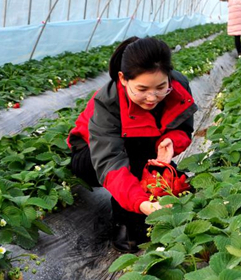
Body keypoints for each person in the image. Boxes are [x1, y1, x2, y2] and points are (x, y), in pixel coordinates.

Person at [67, 36, 197, 252]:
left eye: (160, 87)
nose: (152, 97)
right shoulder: (107, 102)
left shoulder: (179, 87)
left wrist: (171, 141)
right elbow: (111, 163)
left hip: (140, 149)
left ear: (169, 77)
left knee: (166, 175)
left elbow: (183, 128)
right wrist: (141, 204)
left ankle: (149, 204)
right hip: (92, 157)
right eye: (142, 89)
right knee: (138, 156)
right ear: (123, 79)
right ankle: (125, 220)